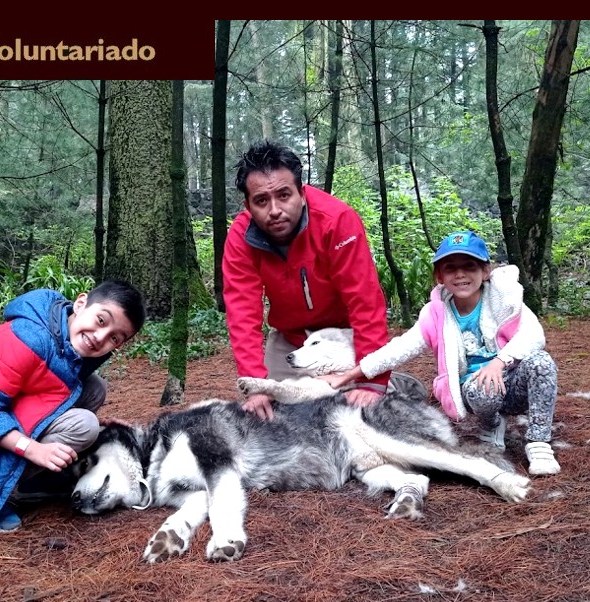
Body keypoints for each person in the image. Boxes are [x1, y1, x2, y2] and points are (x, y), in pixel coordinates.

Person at [321, 231, 561, 475]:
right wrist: (348, 376)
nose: (460, 274)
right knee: (481, 387)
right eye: (450, 268)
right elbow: (399, 349)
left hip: (510, 378)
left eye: (470, 266)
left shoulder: (504, 299)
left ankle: (539, 442)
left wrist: (499, 362)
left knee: (541, 362)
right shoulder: (435, 313)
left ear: (485, 271)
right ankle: (492, 424)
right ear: (439, 276)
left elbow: (534, 335)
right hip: (477, 390)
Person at [0, 280, 146, 533]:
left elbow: (43, 395)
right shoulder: (28, 337)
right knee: (84, 426)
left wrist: (102, 424)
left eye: (114, 337)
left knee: (94, 388)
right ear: (81, 303)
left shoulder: (66, 341)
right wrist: (33, 449)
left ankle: (30, 481)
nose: (100, 337)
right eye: (101, 320)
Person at [222, 140, 425, 420]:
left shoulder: (337, 220)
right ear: (248, 205)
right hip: (291, 337)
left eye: (284, 195)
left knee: (361, 407)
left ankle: (392, 382)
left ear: (302, 193)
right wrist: (256, 385)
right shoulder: (241, 237)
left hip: (343, 334)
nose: (275, 210)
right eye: (261, 201)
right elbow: (242, 312)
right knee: (276, 412)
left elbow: (364, 301)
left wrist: (372, 381)